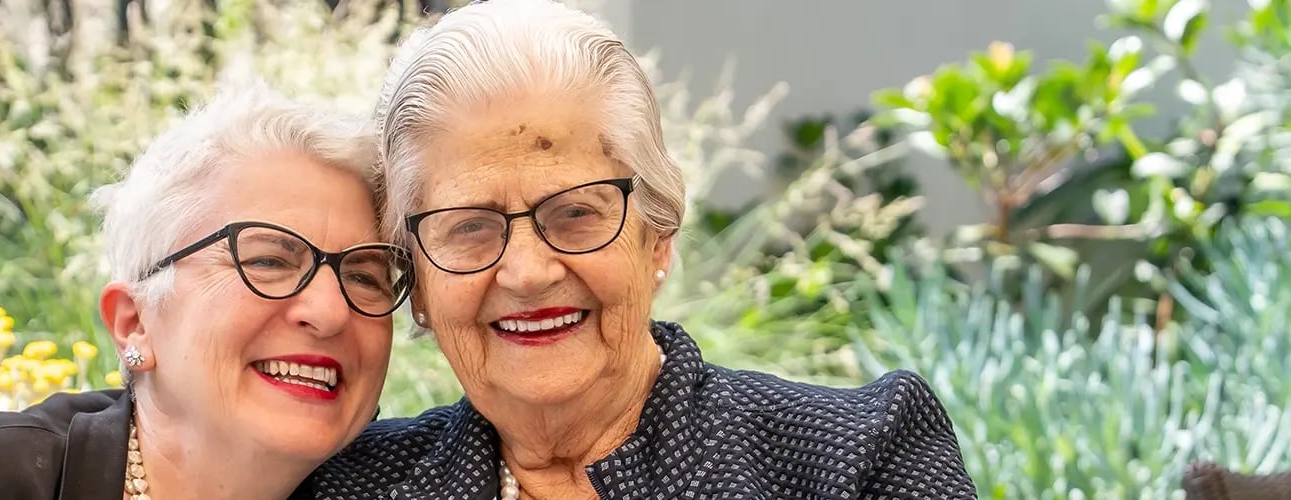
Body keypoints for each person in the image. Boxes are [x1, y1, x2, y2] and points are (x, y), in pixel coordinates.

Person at [308, 1, 978, 498]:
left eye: (575, 214)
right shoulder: (349, 486)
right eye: (470, 226)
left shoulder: (856, 458)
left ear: (657, 235)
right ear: (420, 284)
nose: (529, 272)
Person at [0, 80, 414, 500]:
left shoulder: (412, 486)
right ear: (133, 323)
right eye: (267, 261)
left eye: (365, 274)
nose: (330, 310)